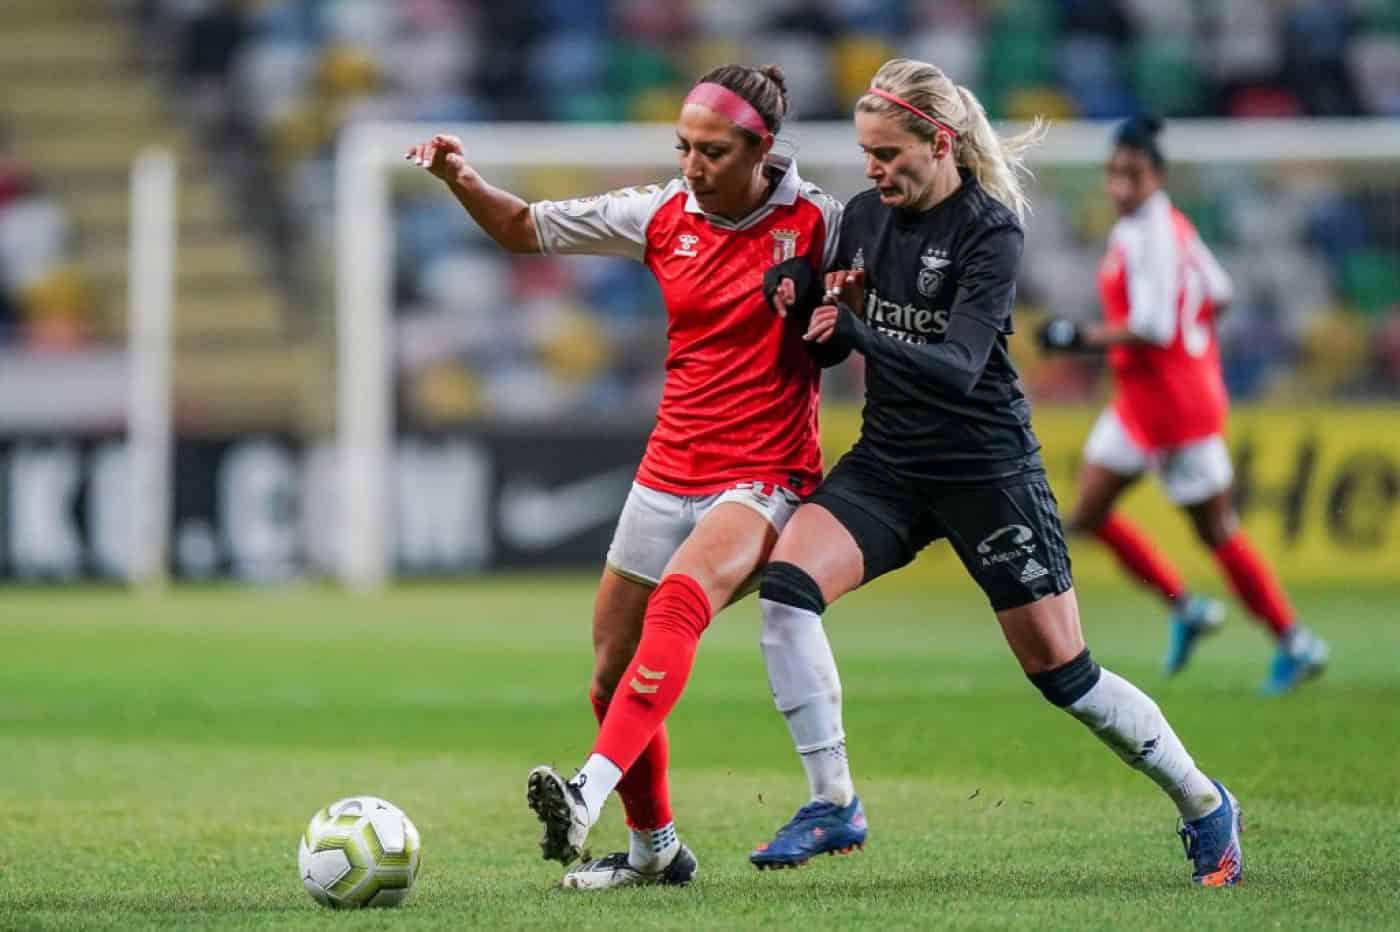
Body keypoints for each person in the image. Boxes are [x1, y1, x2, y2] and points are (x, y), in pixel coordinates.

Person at [747, 59, 1244, 888]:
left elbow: (959, 365)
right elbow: (829, 330)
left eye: (888, 152)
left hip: (988, 473)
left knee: (1067, 677)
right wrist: (799, 292)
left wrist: (862, 335)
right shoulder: (866, 217)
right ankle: (834, 801)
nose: (873, 170)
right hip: (892, 465)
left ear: (939, 143)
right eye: (866, 154)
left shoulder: (990, 228)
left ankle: (1203, 802)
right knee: (786, 593)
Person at [407, 63, 842, 889]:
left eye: (713, 151)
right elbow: (521, 228)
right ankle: (654, 851)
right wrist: (463, 178)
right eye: (683, 146)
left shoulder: (824, 222)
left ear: (763, 151)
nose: (693, 165)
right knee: (609, 673)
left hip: (763, 474)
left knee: (680, 605)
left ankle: (587, 791)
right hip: (667, 469)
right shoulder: (659, 213)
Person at [1037, 115, 1328, 694]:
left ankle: (1295, 640)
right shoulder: (1161, 225)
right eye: (1114, 174)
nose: (1120, 187)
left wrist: (1080, 338)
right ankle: (1188, 607)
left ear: (1157, 176)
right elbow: (1219, 293)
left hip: (1174, 409)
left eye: (1133, 176)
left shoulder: (1153, 235)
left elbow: (1151, 325)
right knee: (1087, 515)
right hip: (1142, 400)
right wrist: (1194, 350)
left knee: (1216, 530)